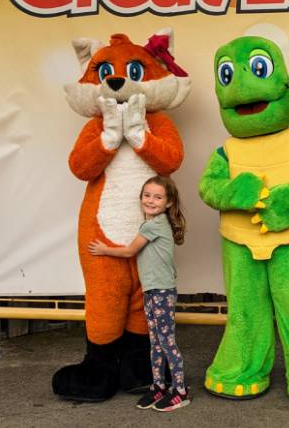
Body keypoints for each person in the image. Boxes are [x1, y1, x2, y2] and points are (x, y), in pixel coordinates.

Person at [87, 176, 190, 412]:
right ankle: (158, 386)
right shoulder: (152, 223)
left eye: (157, 196)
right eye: (147, 195)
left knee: (166, 343)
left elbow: (130, 251)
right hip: (152, 291)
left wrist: (104, 249)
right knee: (155, 343)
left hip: (162, 292)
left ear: (168, 203)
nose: (151, 200)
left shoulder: (153, 225)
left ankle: (181, 391)